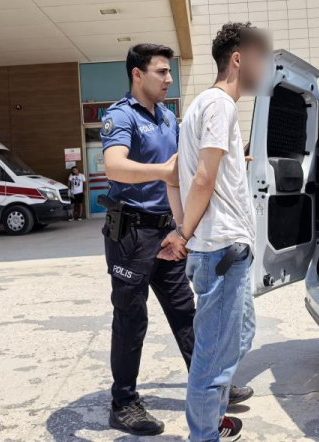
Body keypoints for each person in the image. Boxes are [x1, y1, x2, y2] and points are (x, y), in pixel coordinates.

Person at [100, 44, 253, 436]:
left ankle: (210, 388)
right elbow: (114, 166)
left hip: (168, 231)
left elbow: (191, 164)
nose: (169, 79)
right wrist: (161, 171)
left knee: (186, 312)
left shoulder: (168, 118)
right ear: (137, 74)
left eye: (169, 72)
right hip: (131, 233)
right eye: (161, 72)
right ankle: (123, 403)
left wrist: (231, 160)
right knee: (131, 317)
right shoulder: (121, 115)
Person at [161, 22, 269, 442]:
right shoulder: (220, 105)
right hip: (220, 250)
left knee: (240, 334)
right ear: (238, 59)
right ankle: (203, 434)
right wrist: (183, 233)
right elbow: (202, 178)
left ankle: (211, 417)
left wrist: (182, 228)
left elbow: (176, 176)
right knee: (213, 357)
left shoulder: (199, 108)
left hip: (223, 249)